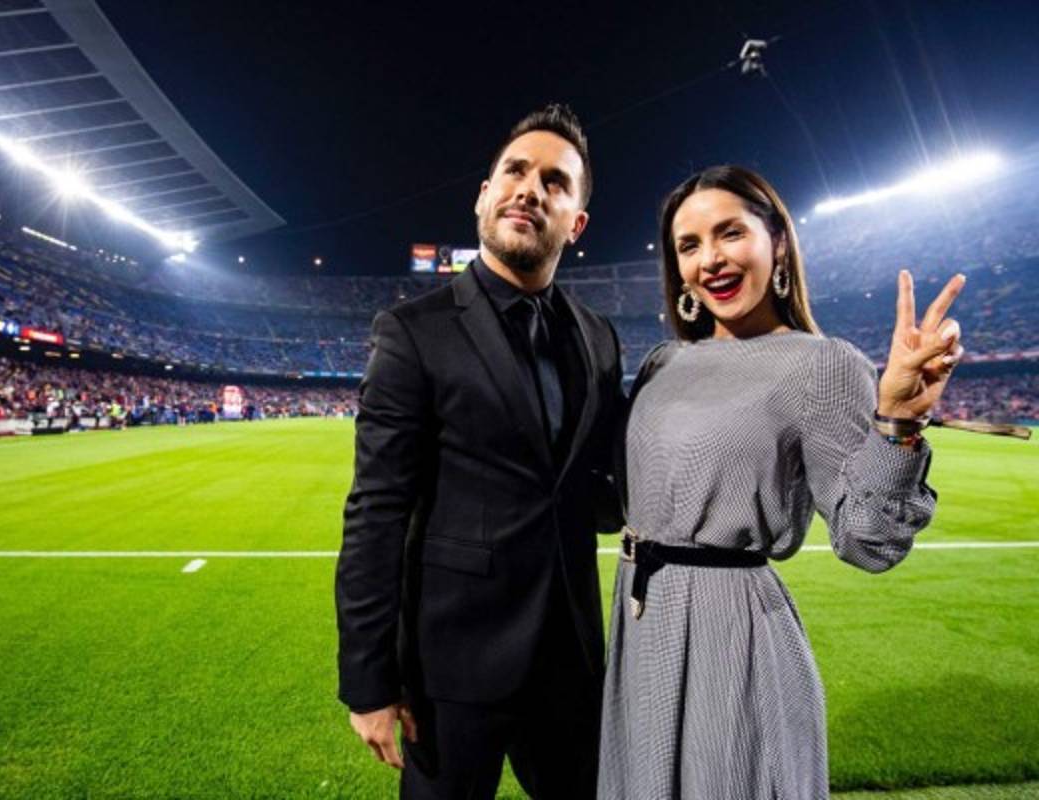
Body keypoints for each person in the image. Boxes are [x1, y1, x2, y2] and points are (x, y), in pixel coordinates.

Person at [598, 165, 963, 799]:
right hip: (640, 619)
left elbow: (866, 539)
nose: (710, 258)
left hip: (731, 633)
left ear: (778, 242)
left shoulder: (823, 364)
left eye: (730, 233)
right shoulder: (664, 361)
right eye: (689, 245)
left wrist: (900, 422)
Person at [336, 104, 624, 798]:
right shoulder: (413, 332)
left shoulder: (599, 338)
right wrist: (369, 681)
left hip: (571, 663)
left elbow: (604, 494)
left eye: (555, 182)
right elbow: (376, 511)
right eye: (515, 171)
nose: (530, 188)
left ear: (575, 223)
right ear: (484, 196)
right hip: (450, 670)